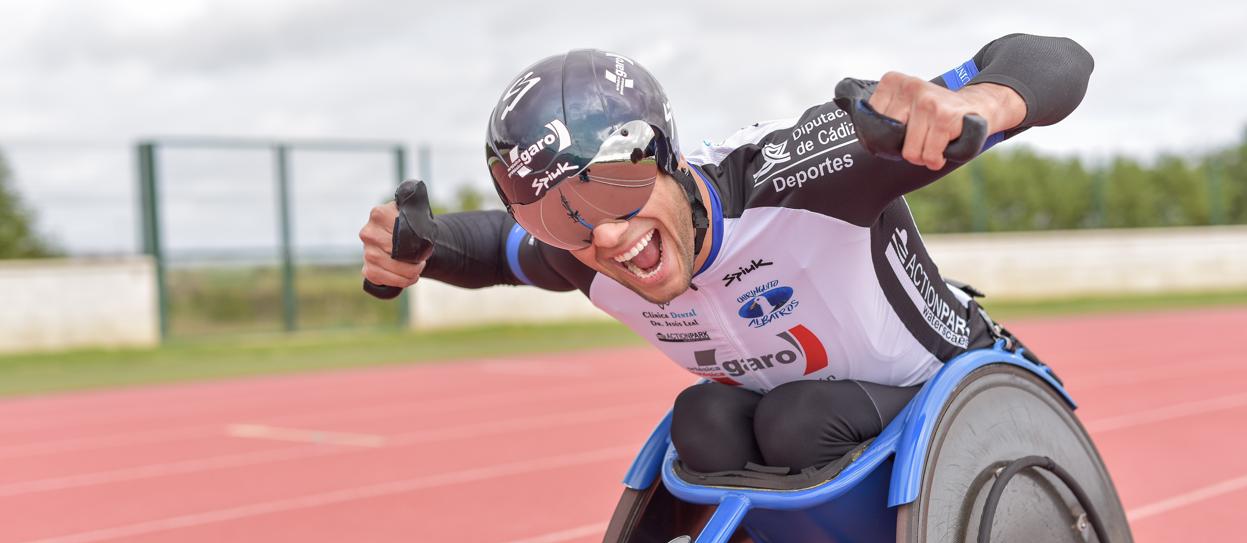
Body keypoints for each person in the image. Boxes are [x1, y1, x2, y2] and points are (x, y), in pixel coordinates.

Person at [359, 35, 1093, 477]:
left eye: (618, 185)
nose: (606, 237)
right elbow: (498, 248)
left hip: (976, 400)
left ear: (667, 155)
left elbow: (1059, 60)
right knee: (703, 423)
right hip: (825, 436)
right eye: (561, 215)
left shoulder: (807, 173)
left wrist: (985, 101)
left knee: (801, 421)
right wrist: (421, 246)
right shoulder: (580, 252)